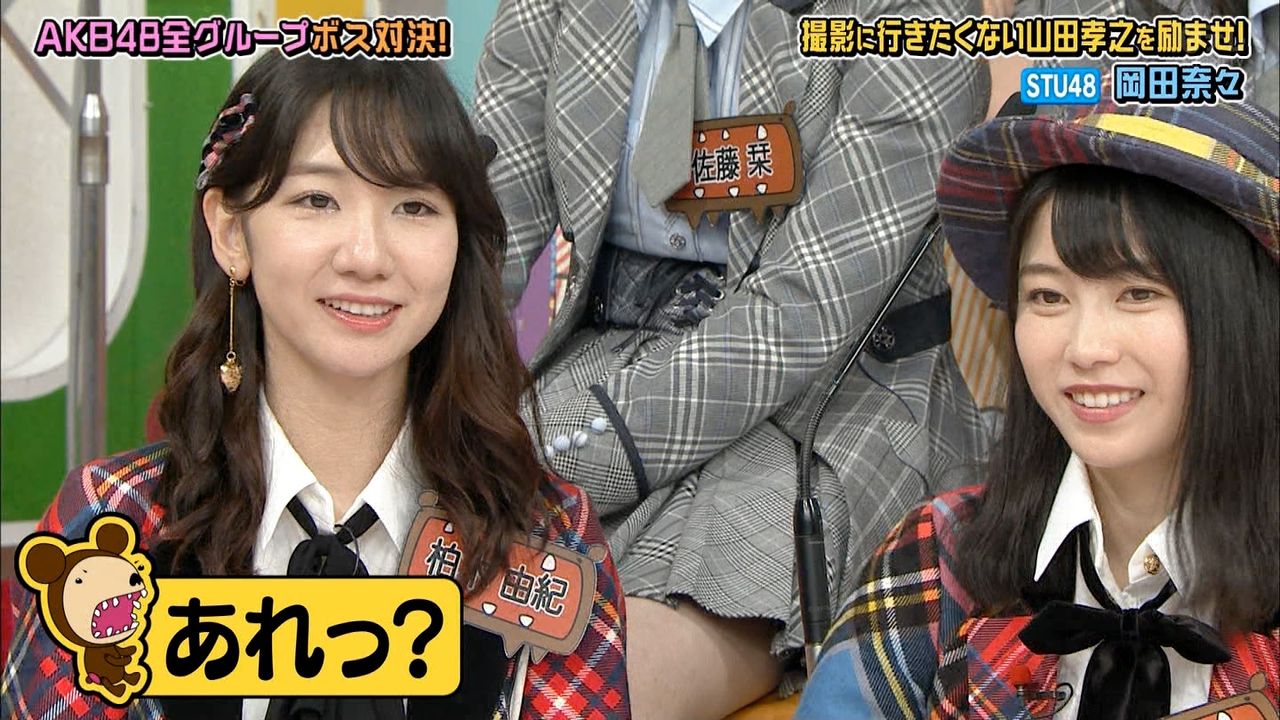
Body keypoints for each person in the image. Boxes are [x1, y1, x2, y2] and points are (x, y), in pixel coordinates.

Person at [1, 51, 630, 720]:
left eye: (414, 206)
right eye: (317, 200)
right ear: (231, 231)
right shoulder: (113, 524)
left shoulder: (547, 539)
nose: (367, 256)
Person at [474, 2, 993, 715]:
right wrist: (441, 414)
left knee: (589, 689)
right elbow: (488, 238)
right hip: (599, 360)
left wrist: (568, 451)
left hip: (826, 401)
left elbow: (804, 309)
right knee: (433, 599)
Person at [795, 96, 1279, 718]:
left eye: (1137, 293)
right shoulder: (938, 561)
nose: (1085, 349)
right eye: (1048, 297)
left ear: (1246, 316)